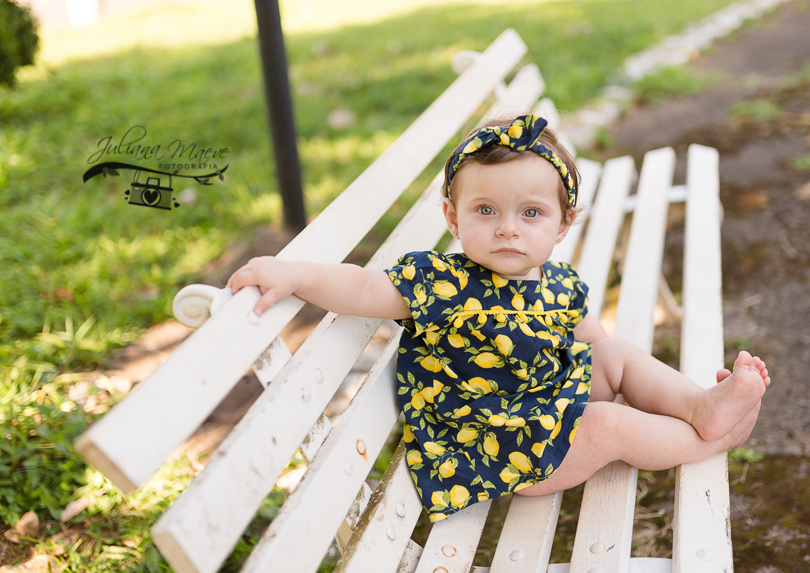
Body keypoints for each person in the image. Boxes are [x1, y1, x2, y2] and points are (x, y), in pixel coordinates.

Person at [226, 114, 770, 522]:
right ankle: (711, 438)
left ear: (562, 225)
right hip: (496, 447)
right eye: (485, 211)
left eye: (530, 213)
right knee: (607, 426)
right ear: (452, 217)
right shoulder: (439, 283)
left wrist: (614, 382)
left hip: (546, 407)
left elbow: (592, 346)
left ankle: (701, 405)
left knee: (616, 354)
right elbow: (364, 285)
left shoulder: (558, 282)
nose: (508, 229)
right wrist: (295, 273)